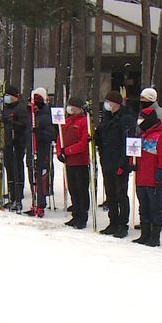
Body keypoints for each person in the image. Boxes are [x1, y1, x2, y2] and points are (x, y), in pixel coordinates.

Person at [95, 90, 136, 237]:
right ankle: (113, 222)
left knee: (121, 195)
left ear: (116, 103)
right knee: (110, 194)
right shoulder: (106, 118)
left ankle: (122, 224)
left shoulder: (126, 119)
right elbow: (101, 137)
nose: (106, 104)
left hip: (119, 162)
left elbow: (128, 143)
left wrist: (123, 163)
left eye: (109, 101)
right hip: (107, 161)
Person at [133, 107, 162, 246]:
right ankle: (144, 234)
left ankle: (155, 236)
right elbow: (135, 155)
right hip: (141, 178)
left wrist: (160, 176)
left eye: (142, 119)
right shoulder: (141, 136)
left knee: (154, 208)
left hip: (153, 180)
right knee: (143, 208)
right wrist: (133, 163)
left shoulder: (161, 137)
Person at [57, 96, 91, 229]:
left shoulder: (84, 122)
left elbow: (83, 143)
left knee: (81, 190)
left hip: (80, 162)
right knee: (73, 190)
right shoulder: (66, 122)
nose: (70, 108)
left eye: (73, 106)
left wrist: (68, 151)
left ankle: (82, 216)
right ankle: (75, 214)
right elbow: (59, 138)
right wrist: (60, 152)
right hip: (69, 162)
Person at [24, 88, 56, 216]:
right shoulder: (31, 116)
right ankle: (34, 201)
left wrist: (39, 133)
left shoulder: (46, 116)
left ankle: (41, 204)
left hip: (42, 151)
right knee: (32, 176)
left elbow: (51, 134)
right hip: (31, 149)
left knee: (41, 177)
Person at [1, 86, 30, 212]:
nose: (6, 98)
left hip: (17, 144)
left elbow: (24, 126)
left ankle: (18, 198)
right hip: (8, 143)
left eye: (9, 95)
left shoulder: (20, 108)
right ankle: (12, 196)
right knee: (10, 171)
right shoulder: (7, 108)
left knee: (17, 170)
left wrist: (12, 123)